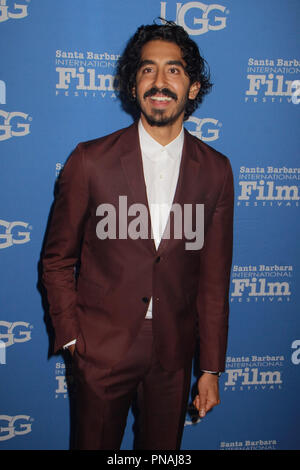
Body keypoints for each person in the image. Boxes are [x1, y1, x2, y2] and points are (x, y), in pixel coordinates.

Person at [42, 21, 234, 450]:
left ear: (194, 88)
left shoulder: (217, 170)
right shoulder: (90, 160)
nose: (160, 82)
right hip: (101, 350)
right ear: (133, 86)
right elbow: (57, 260)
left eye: (174, 70)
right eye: (147, 71)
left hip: (173, 355)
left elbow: (215, 279)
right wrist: (74, 338)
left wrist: (211, 368)